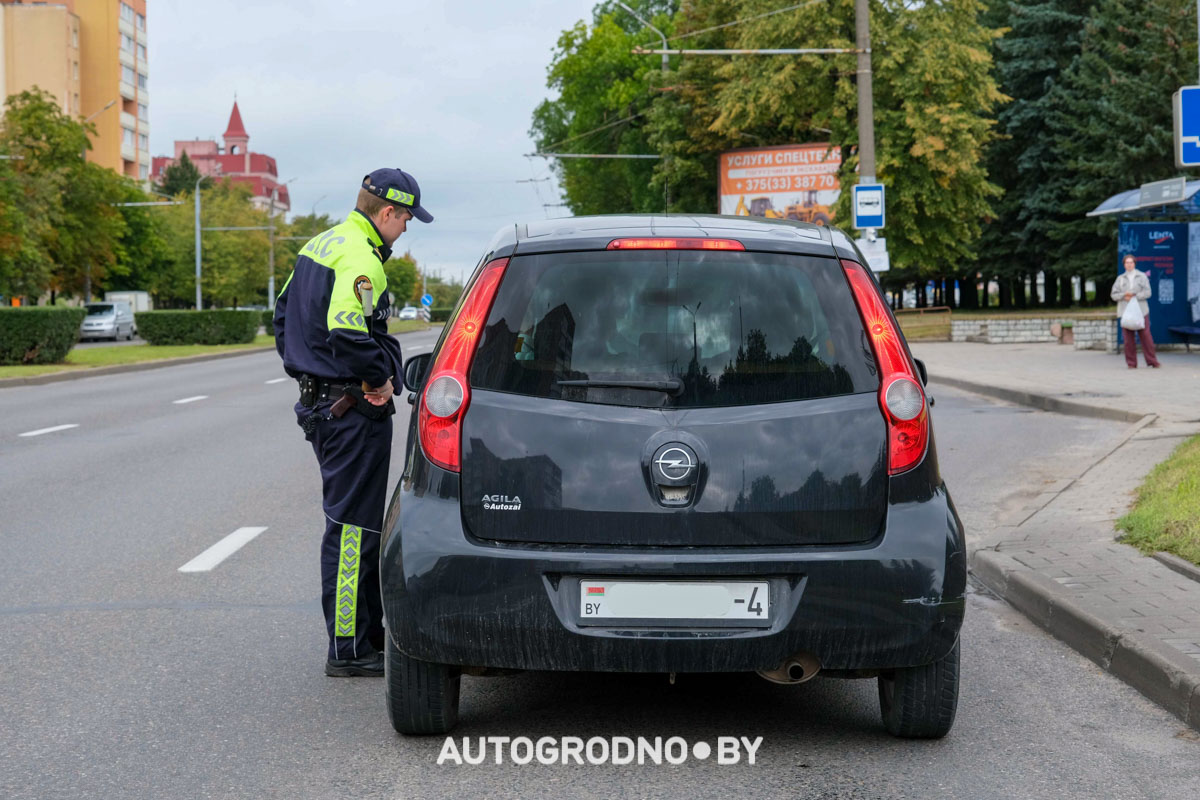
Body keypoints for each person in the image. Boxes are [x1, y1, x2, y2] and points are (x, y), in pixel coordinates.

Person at [273, 168, 433, 676]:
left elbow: (281, 318)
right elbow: (348, 334)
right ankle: (349, 648)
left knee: (357, 524)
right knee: (351, 530)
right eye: (406, 218)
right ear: (387, 212)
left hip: (325, 405)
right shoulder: (362, 258)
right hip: (351, 410)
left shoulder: (319, 244)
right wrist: (376, 379)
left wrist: (311, 373)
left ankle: (367, 637)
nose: (406, 228)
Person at [1110, 253, 1160, 369]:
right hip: (1125, 312)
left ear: (1134, 264)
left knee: (1146, 337)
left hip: (1141, 311)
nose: (1129, 265)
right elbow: (1114, 295)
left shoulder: (1142, 276)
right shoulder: (1120, 279)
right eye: (1127, 263)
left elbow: (1148, 293)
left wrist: (1134, 296)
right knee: (1128, 340)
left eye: (1131, 262)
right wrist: (1124, 295)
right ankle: (1131, 363)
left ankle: (1152, 361)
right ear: (1124, 265)